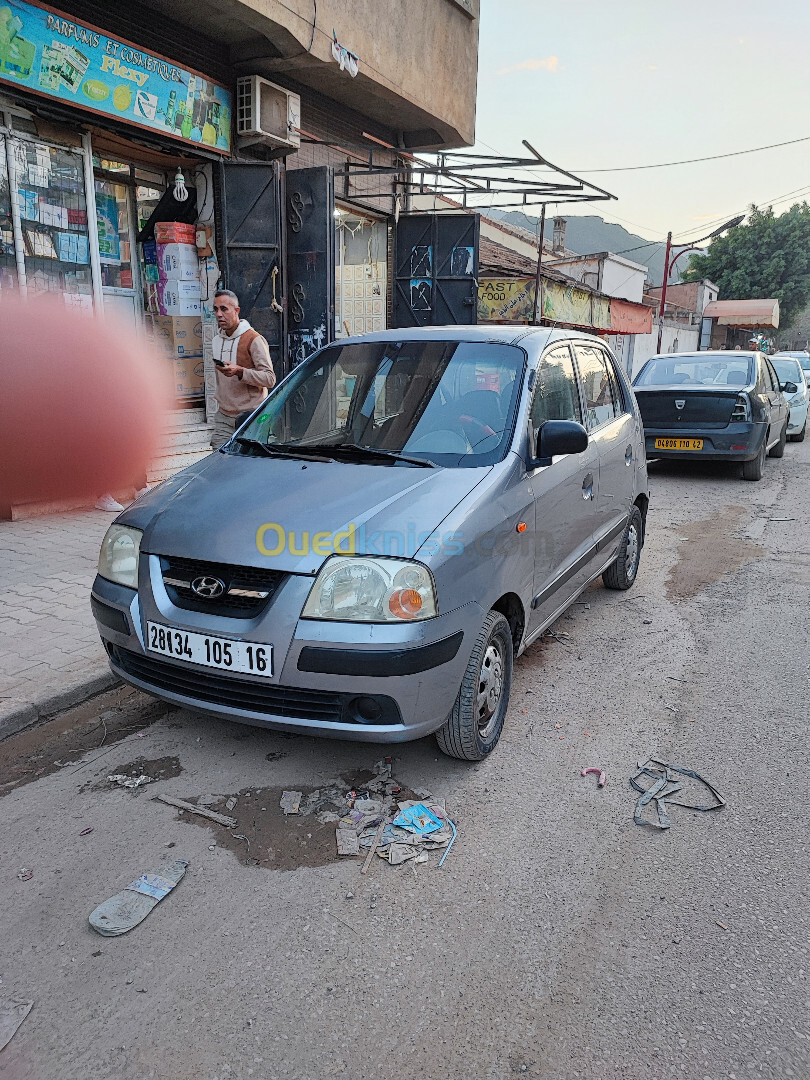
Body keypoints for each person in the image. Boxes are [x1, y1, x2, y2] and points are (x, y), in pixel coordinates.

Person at [210, 289, 276, 450]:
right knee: (219, 462)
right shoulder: (216, 340)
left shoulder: (253, 339)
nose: (219, 314)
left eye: (224, 309)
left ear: (236, 310)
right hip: (224, 416)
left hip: (250, 417)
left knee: (250, 466)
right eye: (215, 309)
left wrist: (240, 371)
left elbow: (269, 379)